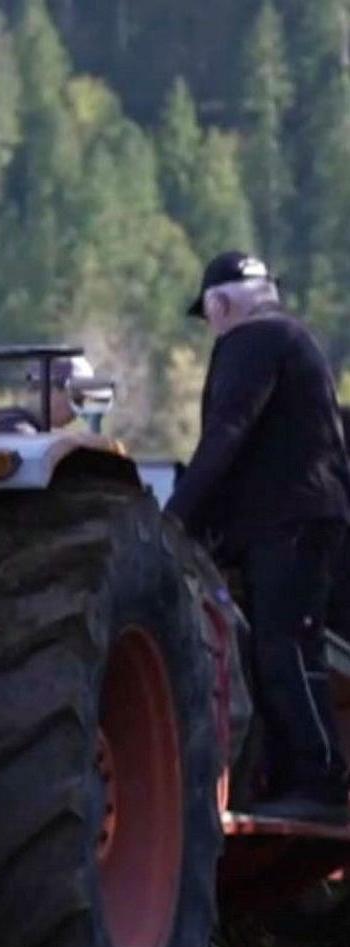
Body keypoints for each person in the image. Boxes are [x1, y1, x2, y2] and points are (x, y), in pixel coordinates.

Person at [168, 250, 350, 823]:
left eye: (210, 316)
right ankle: (298, 774)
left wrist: (176, 518)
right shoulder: (297, 342)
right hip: (309, 513)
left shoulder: (250, 343)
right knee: (290, 644)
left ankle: (317, 780)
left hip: (286, 521)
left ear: (219, 304)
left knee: (285, 647)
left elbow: (228, 432)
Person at [0, 355, 114, 435]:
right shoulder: (15, 432)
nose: (78, 410)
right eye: (77, 397)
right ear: (50, 389)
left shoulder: (34, 430)